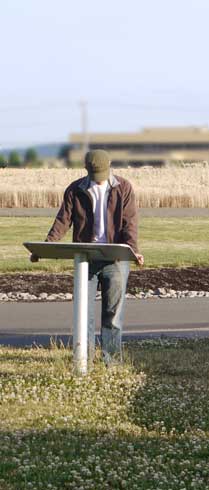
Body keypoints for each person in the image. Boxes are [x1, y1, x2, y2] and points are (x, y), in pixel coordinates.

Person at [31, 150, 144, 365]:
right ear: (86, 170)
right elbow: (62, 221)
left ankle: (111, 362)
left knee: (113, 315)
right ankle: (84, 359)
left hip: (116, 260)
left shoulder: (124, 188)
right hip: (86, 260)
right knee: (84, 314)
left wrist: (132, 250)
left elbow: (130, 223)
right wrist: (45, 247)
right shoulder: (75, 190)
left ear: (110, 167)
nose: (99, 179)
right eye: (95, 174)